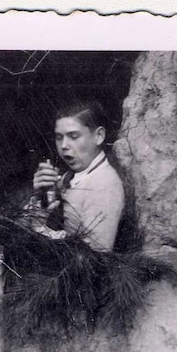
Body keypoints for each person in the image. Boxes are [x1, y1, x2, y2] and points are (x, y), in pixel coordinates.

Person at [30, 100, 125, 252]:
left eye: (73, 136)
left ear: (99, 136)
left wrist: (38, 229)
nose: (63, 145)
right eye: (59, 137)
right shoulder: (73, 175)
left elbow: (94, 255)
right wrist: (40, 196)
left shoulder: (104, 185)